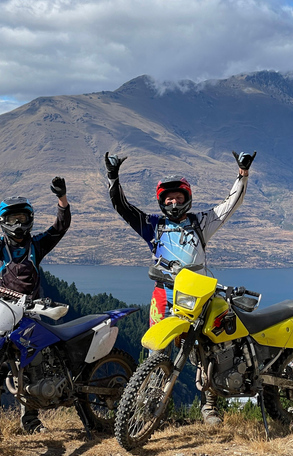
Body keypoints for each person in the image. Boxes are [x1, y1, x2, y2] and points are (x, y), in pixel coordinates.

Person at [105, 148, 255, 424]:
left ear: (187, 199)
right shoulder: (153, 226)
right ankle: (153, 411)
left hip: (199, 298)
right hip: (164, 296)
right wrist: (113, 177)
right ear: (162, 202)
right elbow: (123, 209)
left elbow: (229, 205)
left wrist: (242, 174)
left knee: (208, 349)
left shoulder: (201, 223)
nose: (174, 203)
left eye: (178, 197)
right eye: (169, 198)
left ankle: (209, 406)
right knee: (157, 352)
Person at [0, 171, 71, 441]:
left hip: (30, 313)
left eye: (23, 219)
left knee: (31, 367)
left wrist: (61, 199)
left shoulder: (37, 245)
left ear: (29, 220)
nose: (18, 225)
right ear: (3, 222)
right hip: (2, 315)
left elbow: (60, 227)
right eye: (12, 219)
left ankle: (29, 419)